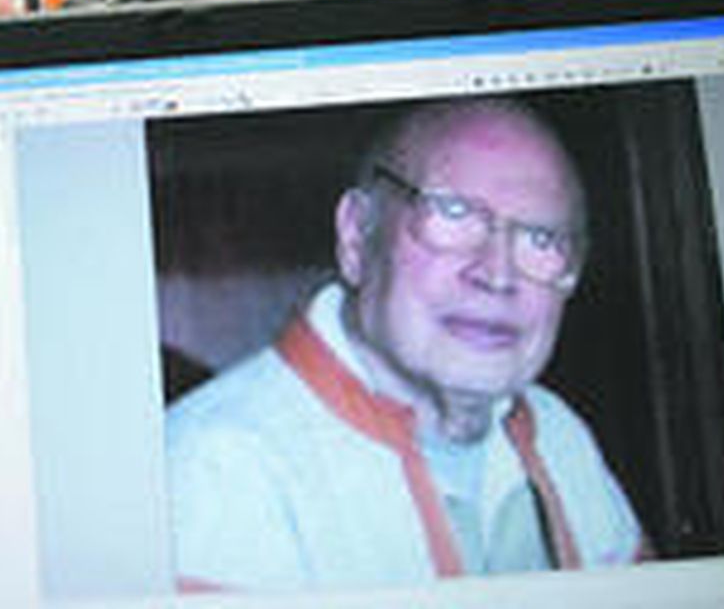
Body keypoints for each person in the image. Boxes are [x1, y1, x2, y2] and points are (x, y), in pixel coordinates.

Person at [165, 97, 644, 592]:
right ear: (356, 236)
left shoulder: (559, 435)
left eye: (542, 240)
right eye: (453, 213)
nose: (497, 275)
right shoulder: (220, 469)